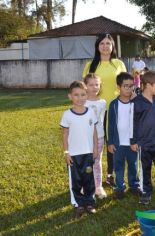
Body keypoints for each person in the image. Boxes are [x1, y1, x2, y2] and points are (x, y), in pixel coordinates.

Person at [82, 34, 127, 187]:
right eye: (102, 43)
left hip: (115, 108)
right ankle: (91, 174)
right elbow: (84, 87)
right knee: (95, 142)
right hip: (94, 110)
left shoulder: (118, 63)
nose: (105, 46)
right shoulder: (90, 65)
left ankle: (111, 174)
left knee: (113, 142)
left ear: (113, 46)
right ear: (97, 46)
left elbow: (125, 85)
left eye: (108, 43)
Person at [130, 71, 155, 205]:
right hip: (144, 144)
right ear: (147, 85)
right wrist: (134, 141)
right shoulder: (136, 102)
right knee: (145, 168)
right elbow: (133, 123)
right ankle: (146, 190)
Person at [60, 80, 98, 217]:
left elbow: (94, 131)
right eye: (76, 95)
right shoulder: (67, 114)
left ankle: (89, 202)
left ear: (87, 95)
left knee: (88, 179)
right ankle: (79, 204)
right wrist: (66, 152)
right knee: (76, 181)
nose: (80, 98)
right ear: (70, 96)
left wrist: (95, 148)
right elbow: (64, 134)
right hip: (74, 155)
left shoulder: (90, 113)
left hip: (88, 153)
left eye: (83, 95)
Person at [107, 72, 140, 199]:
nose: (129, 89)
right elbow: (110, 125)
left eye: (131, 86)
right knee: (119, 166)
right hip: (118, 143)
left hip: (133, 143)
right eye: (125, 86)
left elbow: (141, 120)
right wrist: (110, 142)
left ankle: (134, 185)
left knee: (133, 165)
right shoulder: (114, 104)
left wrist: (136, 100)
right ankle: (119, 187)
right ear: (118, 87)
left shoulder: (136, 103)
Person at [83, 73, 107, 199]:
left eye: (96, 84)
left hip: (99, 137)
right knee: (85, 162)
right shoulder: (82, 102)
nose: (94, 87)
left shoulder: (103, 102)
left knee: (97, 162)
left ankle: (98, 187)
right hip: (84, 138)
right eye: (91, 84)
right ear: (85, 86)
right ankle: (85, 185)